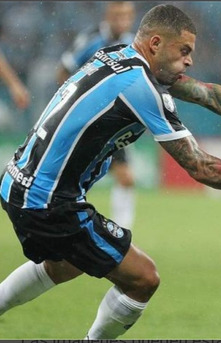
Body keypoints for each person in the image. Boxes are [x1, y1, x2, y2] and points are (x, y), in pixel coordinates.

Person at [0, 4, 221, 339]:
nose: (189, 60)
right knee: (143, 279)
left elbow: (206, 94)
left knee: (67, 263)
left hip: (17, 183)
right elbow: (201, 167)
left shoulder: (117, 54)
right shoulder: (140, 86)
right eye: (184, 51)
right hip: (48, 202)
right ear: (156, 44)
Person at [57, 1, 137, 229]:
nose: (122, 20)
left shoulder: (133, 43)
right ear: (108, 15)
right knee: (74, 180)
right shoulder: (90, 39)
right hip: (83, 121)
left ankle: (122, 231)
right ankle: (71, 225)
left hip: (111, 123)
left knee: (126, 178)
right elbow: (63, 70)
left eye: (126, 16)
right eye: (117, 15)